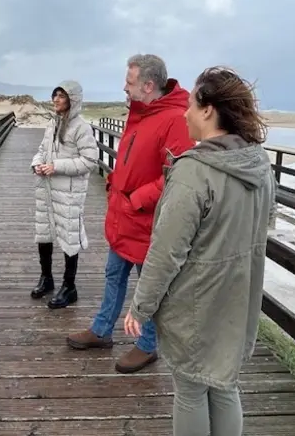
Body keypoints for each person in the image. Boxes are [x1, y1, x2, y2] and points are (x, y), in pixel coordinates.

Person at [124, 66, 277, 436]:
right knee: (224, 384)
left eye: (191, 104)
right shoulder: (259, 166)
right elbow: (265, 224)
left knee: (191, 388)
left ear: (208, 110)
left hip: (196, 302)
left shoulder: (195, 171)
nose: (185, 112)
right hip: (239, 299)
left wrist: (140, 307)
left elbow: (166, 253)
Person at [66, 54, 194, 374]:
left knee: (148, 287)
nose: (125, 87)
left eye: (130, 81)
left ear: (148, 85)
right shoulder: (142, 114)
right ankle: (102, 330)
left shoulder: (176, 118)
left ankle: (148, 345)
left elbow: (177, 175)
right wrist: (115, 181)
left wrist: (137, 198)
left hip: (146, 220)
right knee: (113, 276)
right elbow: (132, 159)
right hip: (123, 216)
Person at [30, 80, 99, 309]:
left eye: (62, 95)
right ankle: (46, 278)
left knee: (69, 238)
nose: (56, 99)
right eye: (55, 95)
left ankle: (70, 287)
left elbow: (90, 160)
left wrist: (56, 166)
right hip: (47, 189)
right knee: (44, 234)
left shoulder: (81, 127)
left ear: (73, 99)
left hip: (68, 192)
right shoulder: (52, 123)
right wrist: (37, 164)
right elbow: (42, 150)